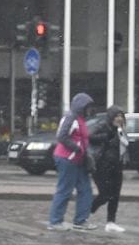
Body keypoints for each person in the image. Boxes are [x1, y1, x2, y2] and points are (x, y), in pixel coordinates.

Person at [47, 92, 96, 231]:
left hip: (78, 159)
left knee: (85, 190)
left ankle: (81, 220)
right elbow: (61, 136)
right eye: (87, 106)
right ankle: (55, 221)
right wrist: (77, 148)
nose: (90, 109)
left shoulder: (80, 119)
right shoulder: (71, 118)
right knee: (65, 190)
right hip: (67, 159)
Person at [87, 105, 129, 232]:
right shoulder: (103, 127)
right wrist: (107, 136)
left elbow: (123, 146)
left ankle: (111, 222)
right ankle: (86, 213)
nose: (119, 119)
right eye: (116, 116)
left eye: (121, 116)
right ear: (111, 117)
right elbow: (90, 137)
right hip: (102, 166)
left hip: (117, 165)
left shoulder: (121, 130)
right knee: (105, 194)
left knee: (115, 195)